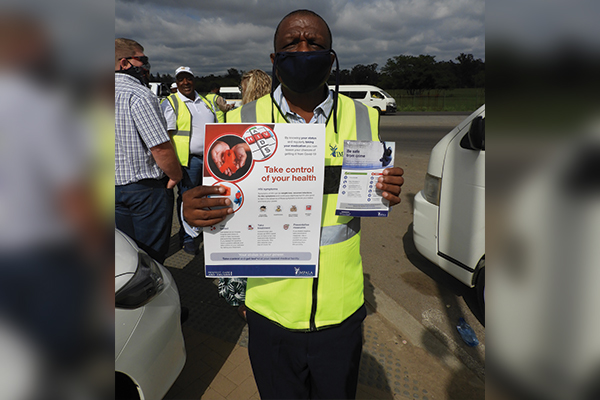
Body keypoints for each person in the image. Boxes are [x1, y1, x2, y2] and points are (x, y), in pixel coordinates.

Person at [181, 9, 404, 399]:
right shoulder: (241, 121)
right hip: (270, 312)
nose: (303, 49)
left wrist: (386, 190)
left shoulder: (362, 116)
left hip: (340, 312)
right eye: (291, 43)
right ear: (275, 58)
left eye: (314, 43)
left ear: (331, 58)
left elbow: (364, 194)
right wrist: (194, 212)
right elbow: (227, 211)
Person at [115, 38, 182, 264]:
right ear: (124, 63)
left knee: (124, 255)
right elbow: (160, 147)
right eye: (142, 59)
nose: (145, 65)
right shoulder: (139, 94)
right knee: (151, 258)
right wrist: (176, 175)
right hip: (144, 191)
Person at [218, 68, 272, 319]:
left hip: (242, 193)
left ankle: (245, 306)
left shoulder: (235, 117)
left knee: (242, 250)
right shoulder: (280, 118)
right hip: (269, 194)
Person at [161, 66, 217, 255]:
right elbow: (166, 136)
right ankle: (188, 237)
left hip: (210, 159)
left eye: (188, 78)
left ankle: (204, 231)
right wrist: (172, 163)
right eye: (181, 79)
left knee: (208, 197)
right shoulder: (171, 103)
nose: (185, 82)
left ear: (194, 79)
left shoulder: (205, 101)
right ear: (176, 82)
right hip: (188, 161)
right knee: (188, 199)